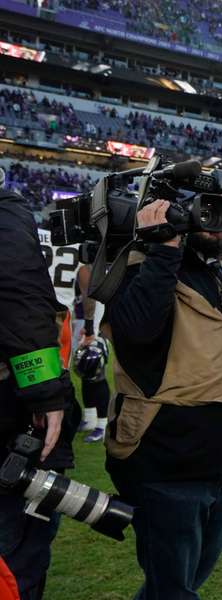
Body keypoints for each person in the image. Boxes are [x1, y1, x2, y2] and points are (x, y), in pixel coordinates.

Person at [102, 196, 222, 599]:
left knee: (182, 583)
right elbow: (138, 331)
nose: (212, 224)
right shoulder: (134, 261)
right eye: (199, 212)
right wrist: (164, 247)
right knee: (173, 588)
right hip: (166, 458)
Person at [0, 180, 78, 600]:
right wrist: (47, 392)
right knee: (19, 557)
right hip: (26, 366)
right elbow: (17, 292)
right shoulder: (11, 212)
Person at [71, 263, 111, 442]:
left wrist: (92, 329)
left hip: (94, 321)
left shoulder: (91, 266)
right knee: (85, 372)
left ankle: (103, 424)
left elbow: (93, 295)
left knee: (96, 370)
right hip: (81, 319)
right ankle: (89, 418)